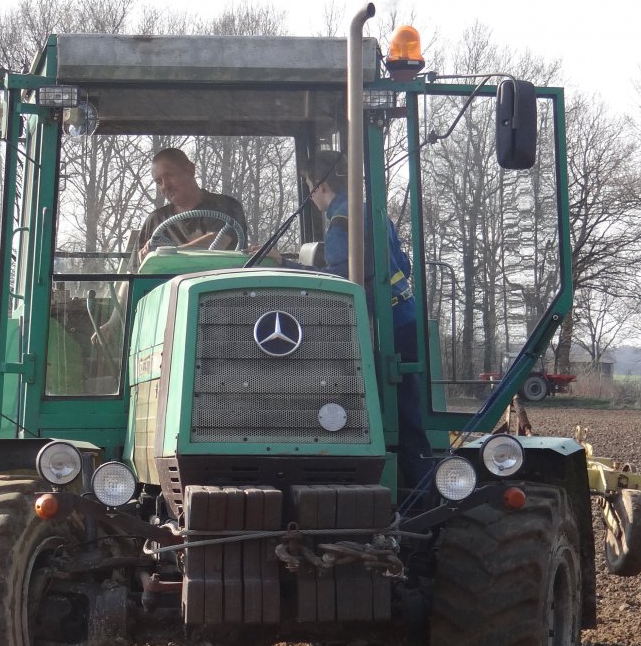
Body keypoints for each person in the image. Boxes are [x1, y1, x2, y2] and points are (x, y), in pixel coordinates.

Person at [265, 150, 429, 488]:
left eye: (309, 187)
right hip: (406, 315)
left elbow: (340, 283)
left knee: (396, 414)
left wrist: (285, 264)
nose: (311, 196)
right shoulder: (373, 211)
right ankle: (422, 488)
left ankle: (414, 489)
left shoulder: (341, 223)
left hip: (387, 326)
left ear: (321, 185)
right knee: (408, 412)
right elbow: (402, 265)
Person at [133, 148, 248, 256]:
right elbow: (135, 267)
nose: (165, 185)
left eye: (170, 175)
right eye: (159, 182)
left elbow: (218, 242)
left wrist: (163, 254)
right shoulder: (155, 220)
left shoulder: (226, 206)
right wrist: (144, 259)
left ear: (190, 170)